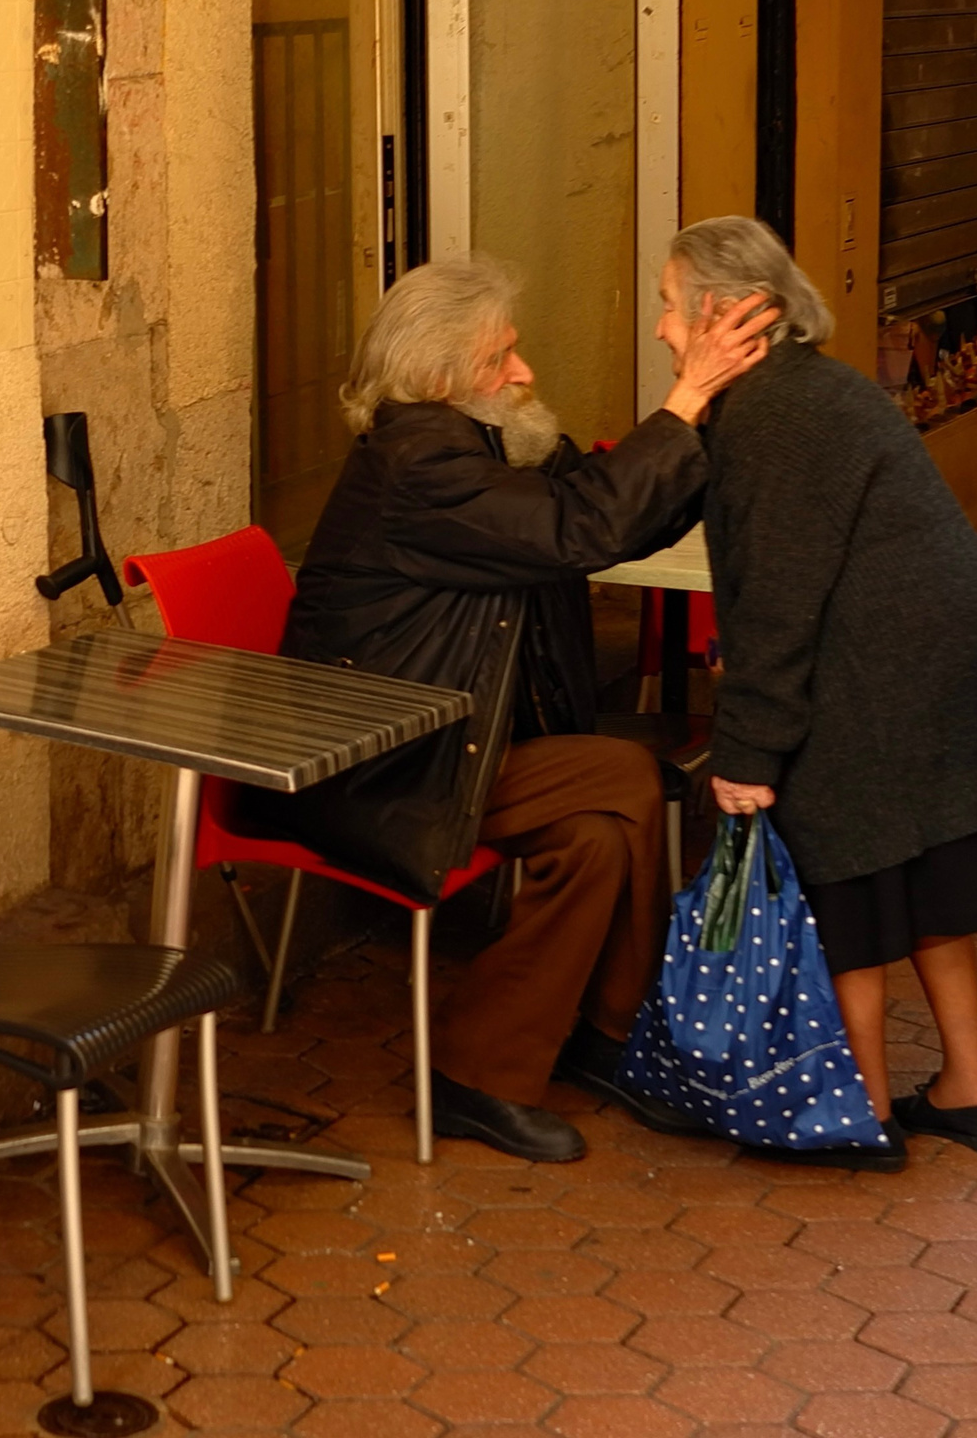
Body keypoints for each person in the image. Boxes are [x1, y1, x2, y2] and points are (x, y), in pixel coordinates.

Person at [241, 252, 775, 1163]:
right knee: (628, 774)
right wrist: (684, 400)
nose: (523, 374)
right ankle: (606, 1039)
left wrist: (720, 423)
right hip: (381, 764)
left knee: (595, 839)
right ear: (443, 376)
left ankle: (490, 1071)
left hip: (454, 745)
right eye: (503, 359)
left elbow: (610, 513)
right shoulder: (419, 465)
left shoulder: (486, 440)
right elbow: (580, 529)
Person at [659, 216, 977, 1170]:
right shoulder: (812, 390)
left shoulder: (777, 414)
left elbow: (780, 603)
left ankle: (858, 1113)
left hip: (881, 665)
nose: (661, 330)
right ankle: (971, 1092)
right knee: (928, 864)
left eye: (668, 307)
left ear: (725, 314)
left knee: (844, 879)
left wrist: (743, 755)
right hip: (940, 647)